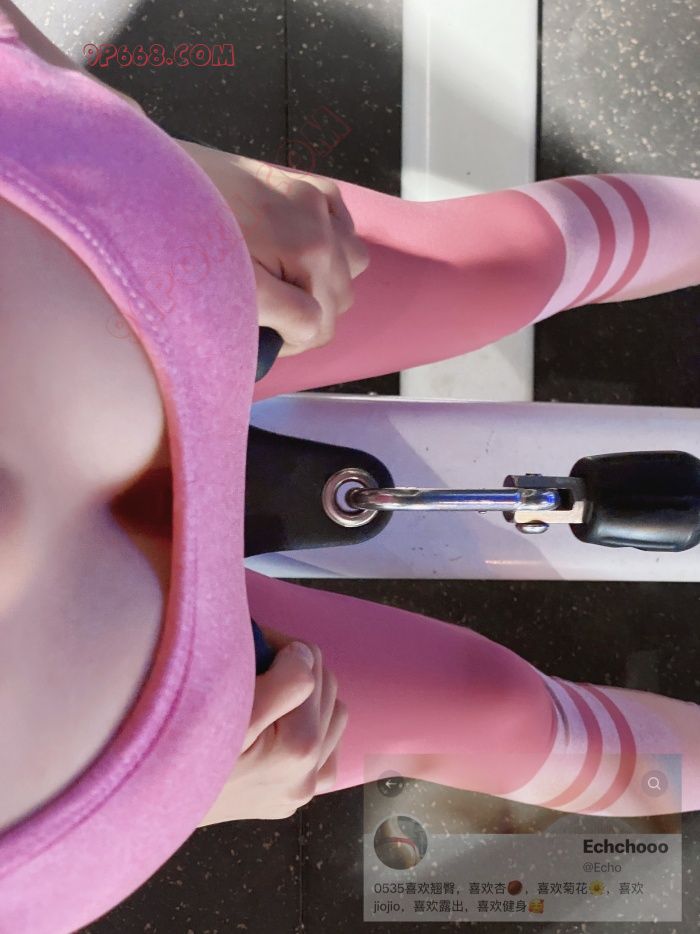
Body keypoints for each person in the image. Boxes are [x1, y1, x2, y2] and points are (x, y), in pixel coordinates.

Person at [0, 1, 698, 930]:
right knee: (497, 714)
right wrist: (183, 802)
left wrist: (122, 140)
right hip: (182, 730)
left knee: (504, 264)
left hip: (154, 265)